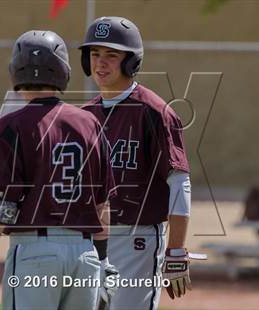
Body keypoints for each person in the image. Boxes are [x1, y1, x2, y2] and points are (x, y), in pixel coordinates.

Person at [0, 30, 118, 310]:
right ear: (62, 70)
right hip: (85, 255)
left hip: (35, 252)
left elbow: (4, 206)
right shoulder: (90, 123)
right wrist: (103, 260)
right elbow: (102, 204)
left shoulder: (12, 124)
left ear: (16, 70)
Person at [79, 16, 195, 309]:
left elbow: (179, 181)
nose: (100, 63)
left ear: (131, 62)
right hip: (88, 240)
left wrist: (177, 250)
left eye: (111, 55)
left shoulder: (154, 112)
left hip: (137, 240)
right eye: (94, 54)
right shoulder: (82, 117)